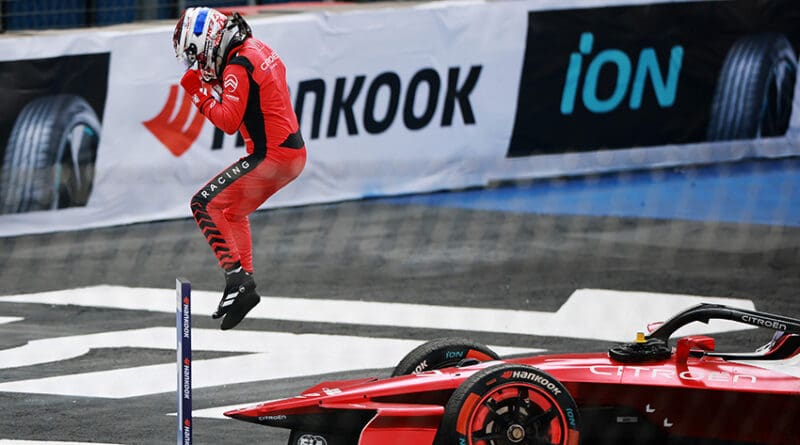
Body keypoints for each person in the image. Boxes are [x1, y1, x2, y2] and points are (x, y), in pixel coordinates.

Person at [172, 7, 306, 330]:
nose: (199, 66)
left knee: (203, 204)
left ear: (204, 44)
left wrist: (198, 92)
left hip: (271, 157)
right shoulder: (254, 48)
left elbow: (229, 121)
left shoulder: (237, 64)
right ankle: (244, 285)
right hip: (290, 153)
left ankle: (237, 277)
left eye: (196, 57)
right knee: (232, 211)